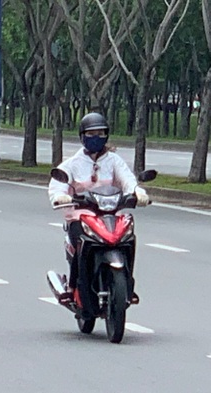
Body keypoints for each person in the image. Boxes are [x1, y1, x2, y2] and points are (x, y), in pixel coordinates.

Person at [48, 112, 150, 302]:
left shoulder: (113, 161)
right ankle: (72, 287)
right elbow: (58, 185)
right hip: (81, 216)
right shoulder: (72, 164)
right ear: (82, 136)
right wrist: (60, 196)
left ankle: (127, 283)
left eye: (100, 134)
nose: (96, 138)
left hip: (110, 214)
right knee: (80, 244)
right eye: (91, 134)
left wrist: (138, 192)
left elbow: (127, 179)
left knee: (128, 238)